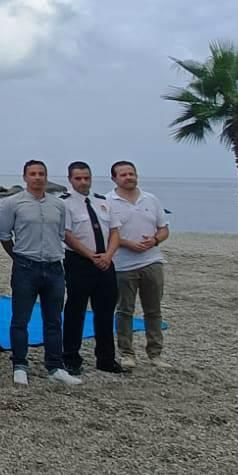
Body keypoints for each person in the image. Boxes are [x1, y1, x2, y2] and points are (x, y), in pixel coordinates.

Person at [0, 160, 81, 388]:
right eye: (33, 174)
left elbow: (61, 233)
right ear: (25, 177)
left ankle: (55, 366)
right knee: (20, 320)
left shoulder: (58, 205)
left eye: (41, 173)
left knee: (54, 320)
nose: (37, 178)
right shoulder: (12, 204)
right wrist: (18, 257)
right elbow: (5, 236)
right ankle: (19, 365)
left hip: (54, 267)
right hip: (26, 266)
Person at [60, 161, 125, 377]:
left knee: (105, 311)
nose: (83, 182)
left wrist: (108, 255)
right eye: (78, 178)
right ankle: (71, 357)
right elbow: (67, 235)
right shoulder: (66, 204)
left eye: (86, 178)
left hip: (105, 261)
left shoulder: (102, 201)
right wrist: (90, 255)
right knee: (75, 311)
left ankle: (106, 358)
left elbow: (115, 231)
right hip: (79, 262)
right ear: (70, 179)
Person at [106, 160, 170, 369]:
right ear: (114, 178)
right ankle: (126, 352)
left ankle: (155, 353)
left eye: (131, 173)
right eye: (123, 175)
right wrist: (127, 243)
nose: (128, 177)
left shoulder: (150, 199)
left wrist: (155, 240)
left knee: (154, 310)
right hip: (123, 265)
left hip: (152, 261)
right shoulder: (108, 201)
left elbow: (163, 228)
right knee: (125, 310)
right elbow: (107, 234)